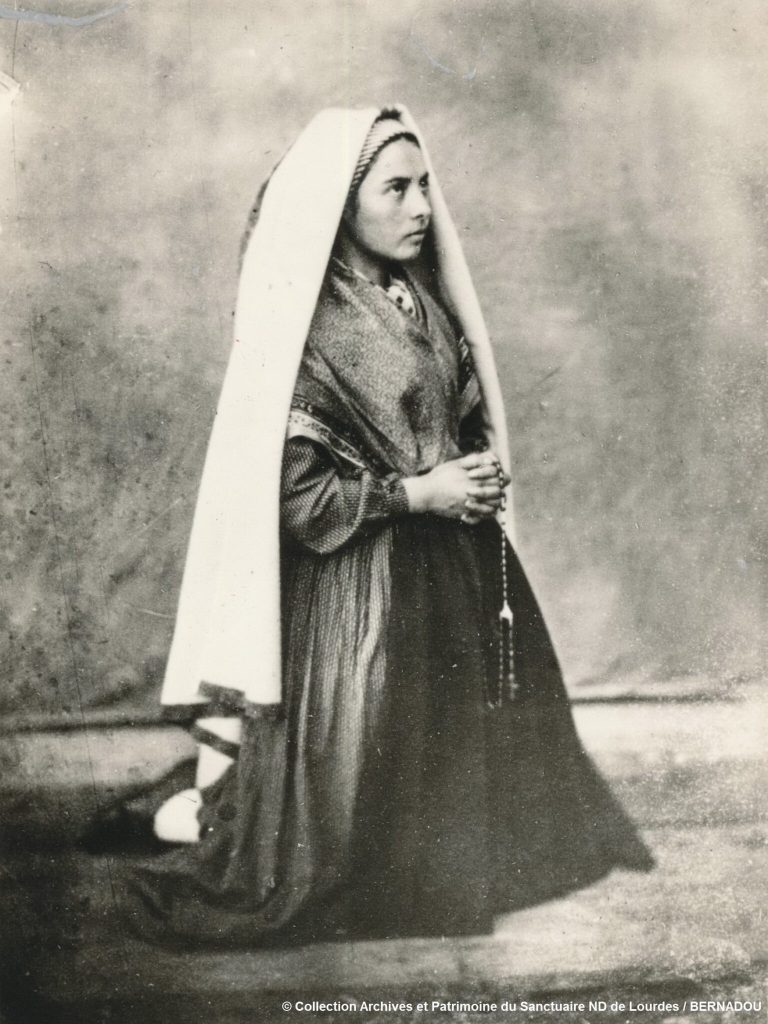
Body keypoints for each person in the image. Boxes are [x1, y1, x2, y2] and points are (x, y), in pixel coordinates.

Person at [122, 105, 653, 948]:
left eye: (424, 186)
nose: (421, 208)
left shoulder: (421, 298)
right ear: (342, 203)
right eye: (396, 189)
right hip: (361, 588)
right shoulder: (312, 326)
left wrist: (473, 472)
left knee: (499, 803)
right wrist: (418, 493)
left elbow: (456, 413)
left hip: (455, 562)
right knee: (355, 826)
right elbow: (300, 499)